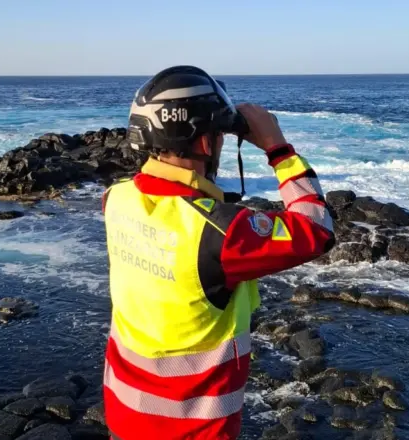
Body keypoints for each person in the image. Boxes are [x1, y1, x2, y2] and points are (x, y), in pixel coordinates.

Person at [101, 66, 336, 440]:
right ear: (207, 144)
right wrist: (279, 150)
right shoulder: (220, 232)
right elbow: (317, 229)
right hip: (193, 429)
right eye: (220, 136)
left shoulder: (116, 199)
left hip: (125, 414)